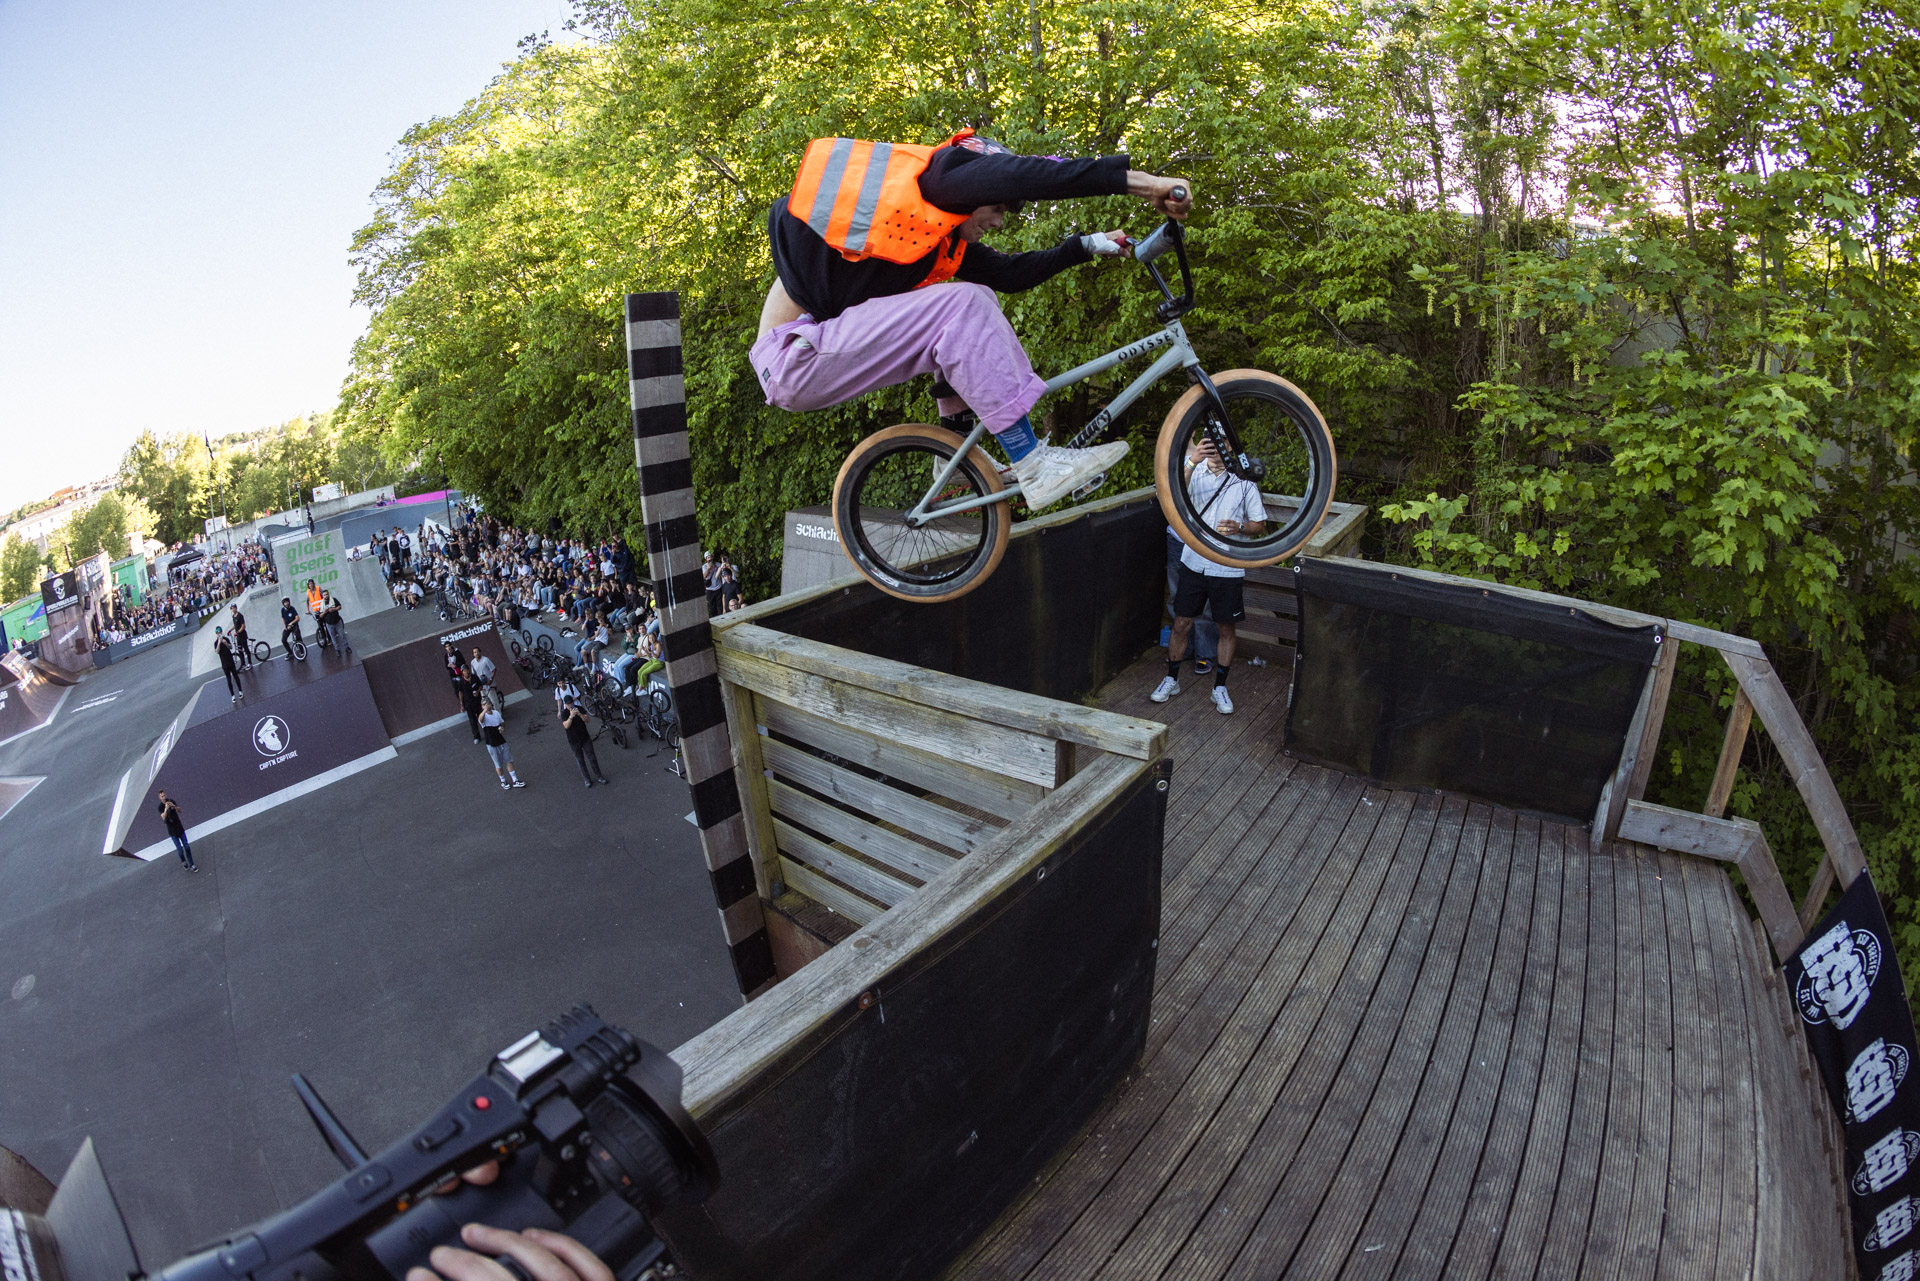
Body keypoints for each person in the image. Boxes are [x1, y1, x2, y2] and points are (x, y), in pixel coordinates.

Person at [752, 131, 1190, 508]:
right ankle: (1033, 463)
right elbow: (1029, 175)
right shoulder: (941, 178)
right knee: (963, 304)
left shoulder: (935, 238)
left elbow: (1011, 275)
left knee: (966, 313)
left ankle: (954, 454)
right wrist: (1144, 183)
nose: (999, 222)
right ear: (976, 189)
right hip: (794, 353)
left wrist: (1088, 245)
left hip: (818, 348)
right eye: (997, 208)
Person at [1152, 439, 1265, 714]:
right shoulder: (1193, 472)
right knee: (1181, 623)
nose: (1217, 450)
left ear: (1231, 448)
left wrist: (1240, 526)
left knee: (1226, 628)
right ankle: (1172, 679)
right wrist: (1193, 460)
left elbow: (1259, 524)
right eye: (1212, 444)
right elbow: (1167, 494)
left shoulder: (1245, 482)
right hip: (1193, 561)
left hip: (1227, 567)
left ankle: (1220, 688)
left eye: (1222, 445)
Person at [561, 697, 609, 788]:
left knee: (592, 757)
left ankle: (599, 776)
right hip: (574, 741)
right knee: (580, 760)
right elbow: (566, 726)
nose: (570, 705)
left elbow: (587, 720)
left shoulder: (579, 708)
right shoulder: (564, 713)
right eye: (568, 704)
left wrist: (579, 714)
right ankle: (587, 779)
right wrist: (571, 716)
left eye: (571, 703)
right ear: (565, 704)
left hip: (584, 737)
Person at [478, 698, 524, 789]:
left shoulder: (496, 713)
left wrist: (501, 728)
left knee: (508, 760)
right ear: (482, 706)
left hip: (501, 741)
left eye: (488, 703)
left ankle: (515, 780)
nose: (487, 706)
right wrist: (484, 711)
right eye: (484, 704)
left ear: (491, 704)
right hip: (491, 744)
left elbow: (502, 723)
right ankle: (503, 781)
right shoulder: (483, 717)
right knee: (498, 764)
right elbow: (480, 719)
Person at [157, 791, 196, 871]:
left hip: (179, 827)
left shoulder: (171, 801)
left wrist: (173, 806)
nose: (164, 797)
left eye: (164, 795)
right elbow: (163, 817)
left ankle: (192, 864)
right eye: (162, 796)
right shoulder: (160, 807)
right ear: (160, 798)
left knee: (187, 846)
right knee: (180, 850)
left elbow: (180, 810)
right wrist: (166, 809)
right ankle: (183, 861)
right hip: (172, 831)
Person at [214, 627, 244, 701]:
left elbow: (231, 647)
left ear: (222, 632)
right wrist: (219, 642)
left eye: (220, 632)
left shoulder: (226, 639)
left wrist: (225, 643)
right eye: (217, 633)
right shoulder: (215, 643)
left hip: (230, 661)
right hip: (224, 664)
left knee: (235, 676)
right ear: (216, 634)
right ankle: (233, 695)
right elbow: (217, 651)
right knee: (229, 680)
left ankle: (240, 691)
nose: (219, 634)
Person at [228, 604, 253, 670]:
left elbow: (243, 626)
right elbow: (235, 625)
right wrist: (230, 630)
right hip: (238, 637)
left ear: (236, 608)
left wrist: (238, 632)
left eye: (233, 608)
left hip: (242, 635)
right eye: (232, 608)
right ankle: (243, 664)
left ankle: (250, 663)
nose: (233, 609)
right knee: (240, 650)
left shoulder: (240, 616)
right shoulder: (233, 616)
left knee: (246, 649)